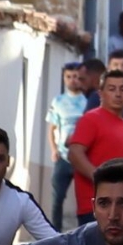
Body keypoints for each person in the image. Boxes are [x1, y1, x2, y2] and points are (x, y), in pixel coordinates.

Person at [68, 69, 123, 224]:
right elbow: (74, 153)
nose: (118, 94)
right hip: (96, 209)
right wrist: (100, 177)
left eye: (122, 89)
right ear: (101, 93)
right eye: (112, 89)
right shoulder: (91, 119)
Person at [45, 62, 89, 229]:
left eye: (76, 77)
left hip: (82, 157)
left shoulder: (87, 102)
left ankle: (83, 232)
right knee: (57, 198)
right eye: (69, 77)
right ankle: (54, 233)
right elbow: (52, 128)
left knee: (84, 198)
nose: (73, 80)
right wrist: (54, 150)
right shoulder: (57, 101)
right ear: (64, 78)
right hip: (62, 157)